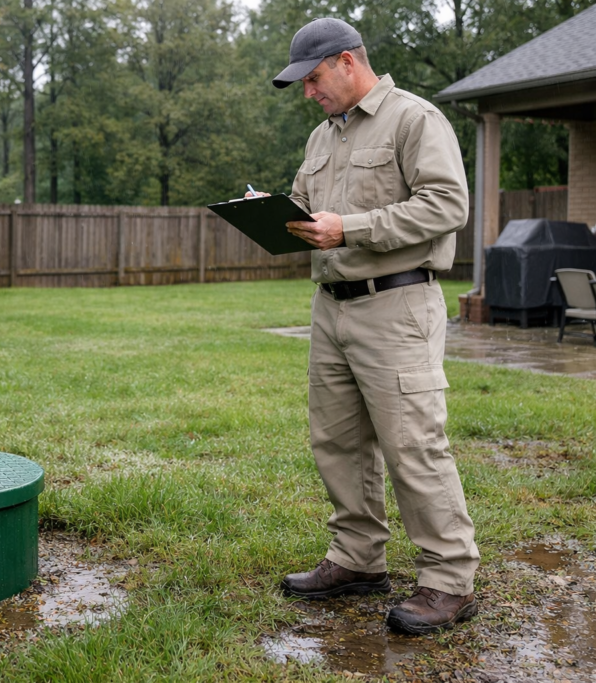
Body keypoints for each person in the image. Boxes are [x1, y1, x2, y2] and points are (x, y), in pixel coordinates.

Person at [253, 17, 481, 635]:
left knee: (413, 445)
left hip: (397, 306)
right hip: (332, 306)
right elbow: (307, 209)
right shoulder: (321, 137)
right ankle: (357, 560)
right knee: (338, 441)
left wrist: (351, 228)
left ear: (349, 62)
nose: (308, 92)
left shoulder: (414, 119)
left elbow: (447, 204)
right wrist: (273, 217)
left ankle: (449, 580)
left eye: (314, 78)